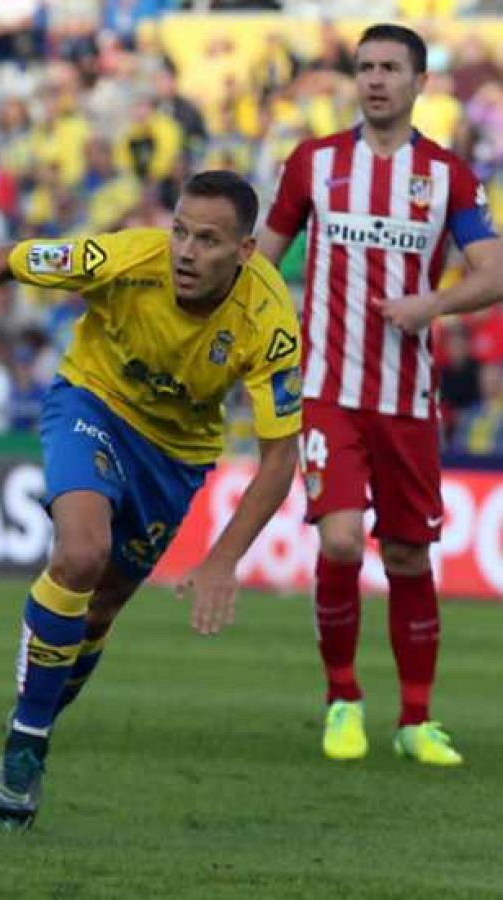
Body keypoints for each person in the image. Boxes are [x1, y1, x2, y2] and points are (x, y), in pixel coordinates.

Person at [0, 171, 303, 830]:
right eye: (179, 231)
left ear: (246, 250)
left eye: (207, 239)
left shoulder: (270, 322)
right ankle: (26, 743)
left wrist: (224, 558)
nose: (186, 252)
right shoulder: (122, 258)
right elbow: (4, 260)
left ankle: (34, 721)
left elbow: (282, 458)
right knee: (82, 553)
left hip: (175, 456)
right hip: (92, 404)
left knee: (102, 608)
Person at [256, 23, 503, 767]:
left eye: (391, 67)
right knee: (337, 539)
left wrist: (431, 306)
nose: (375, 79)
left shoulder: (449, 175)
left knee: (404, 554)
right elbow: (263, 261)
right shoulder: (314, 163)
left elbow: (492, 273)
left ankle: (417, 720)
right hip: (328, 389)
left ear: (419, 81)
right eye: (365, 67)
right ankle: (343, 700)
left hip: (408, 398)